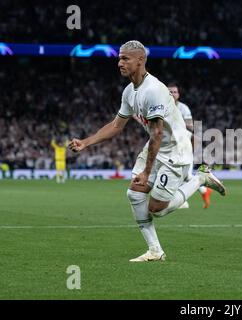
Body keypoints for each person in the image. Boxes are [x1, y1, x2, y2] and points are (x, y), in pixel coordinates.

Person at [68, 40, 226, 262]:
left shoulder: (153, 90)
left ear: (140, 60)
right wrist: (86, 142)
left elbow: (158, 134)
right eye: (119, 58)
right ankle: (155, 251)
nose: (119, 63)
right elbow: (116, 126)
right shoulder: (129, 92)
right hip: (156, 146)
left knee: (157, 209)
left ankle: (200, 179)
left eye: (125, 58)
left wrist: (146, 170)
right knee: (134, 194)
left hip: (175, 150)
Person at [167, 83, 212, 209]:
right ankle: (203, 190)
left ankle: (181, 200)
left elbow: (190, 128)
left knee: (183, 174)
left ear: (178, 95)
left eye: (175, 92)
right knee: (184, 175)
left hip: (183, 144)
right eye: (170, 92)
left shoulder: (183, 108)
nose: (172, 94)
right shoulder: (163, 107)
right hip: (169, 144)